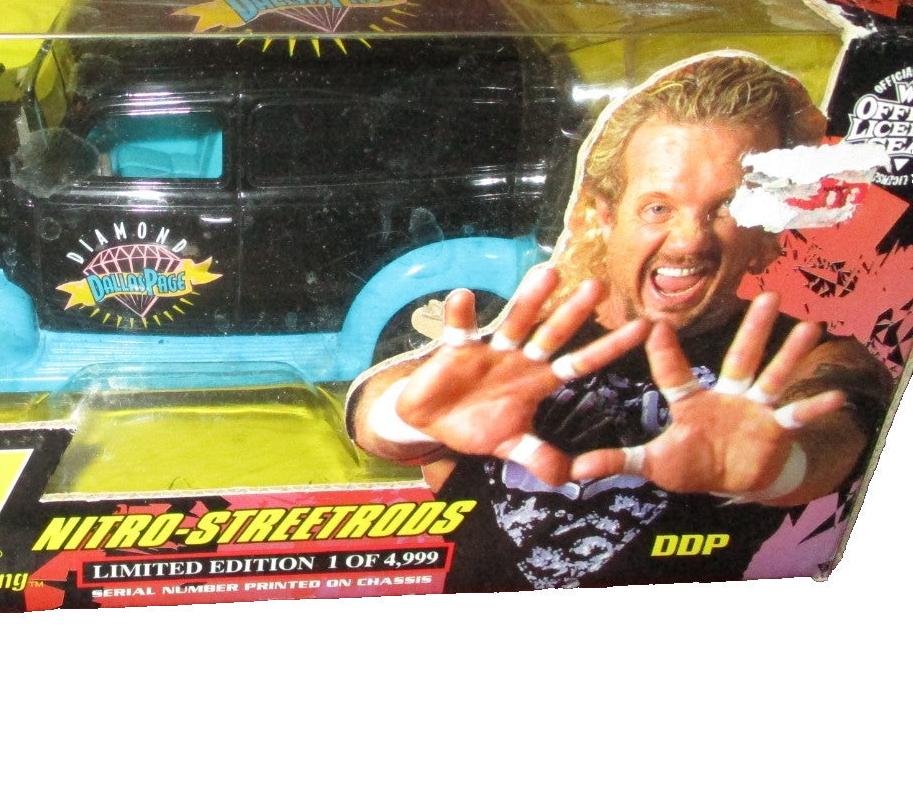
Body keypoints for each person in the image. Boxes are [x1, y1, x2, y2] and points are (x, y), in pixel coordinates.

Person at [348, 53, 892, 590]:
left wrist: (784, 464)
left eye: (726, 208)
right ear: (606, 216)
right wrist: (407, 416)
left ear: (768, 229)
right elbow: (377, 413)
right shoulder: (521, 332)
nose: (689, 241)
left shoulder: (805, 354)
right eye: (658, 208)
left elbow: (840, 424)